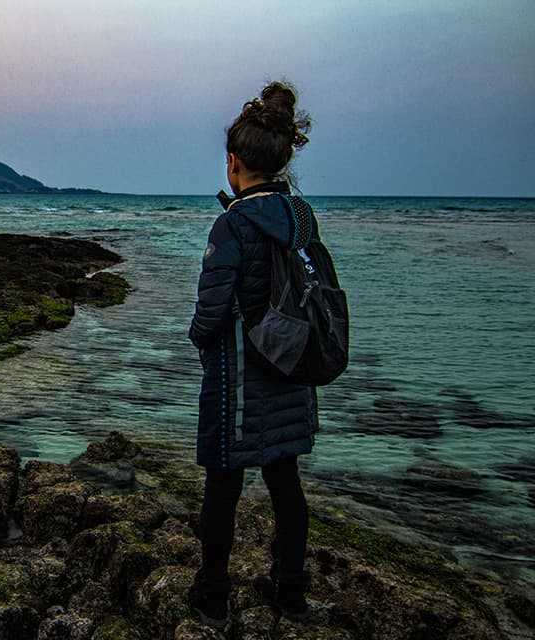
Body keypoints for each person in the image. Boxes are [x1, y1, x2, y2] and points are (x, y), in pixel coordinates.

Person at [188, 81, 319, 627]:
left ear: (233, 161)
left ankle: (212, 596)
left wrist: (198, 337)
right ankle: (290, 592)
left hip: (238, 376)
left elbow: (212, 310)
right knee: (285, 483)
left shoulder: (232, 223)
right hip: (292, 369)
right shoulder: (301, 217)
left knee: (223, 487)